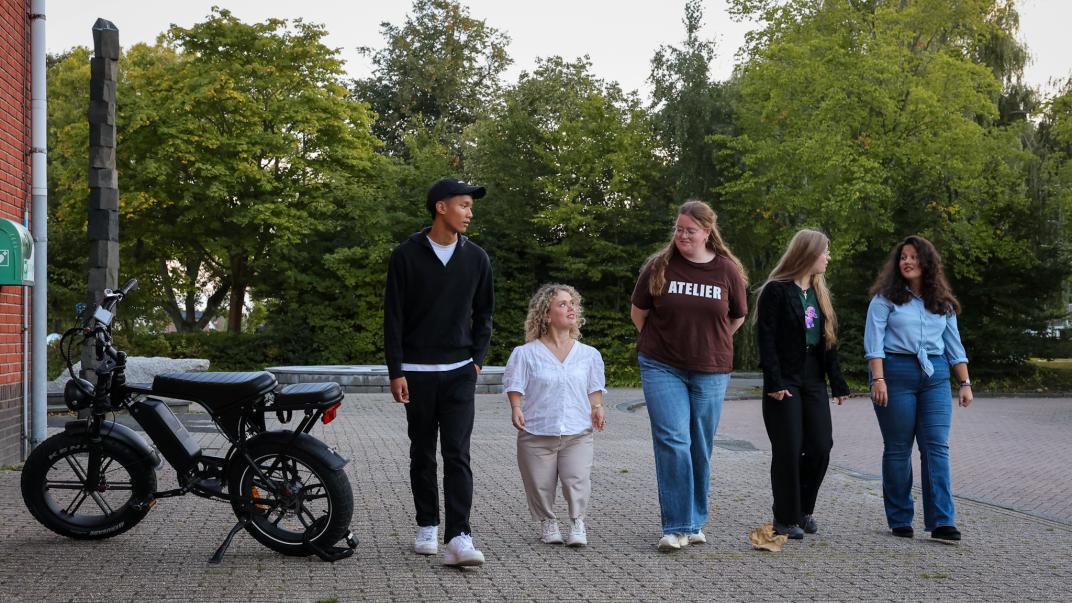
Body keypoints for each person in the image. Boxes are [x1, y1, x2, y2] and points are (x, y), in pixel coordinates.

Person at [384, 177, 495, 566]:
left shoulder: (477, 258)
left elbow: (485, 314)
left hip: (460, 372)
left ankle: (459, 536)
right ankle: (427, 524)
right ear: (440, 207)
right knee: (421, 452)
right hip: (416, 373)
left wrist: (476, 361)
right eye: (463, 205)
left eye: (471, 207)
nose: (469, 213)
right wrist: (396, 371)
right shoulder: (405, 256)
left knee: (457, 453)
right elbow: (393, 318)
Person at [629, 200, 748, 551]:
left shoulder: (727, 270)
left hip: (711, 369)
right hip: (661, 365)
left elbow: (737, 317)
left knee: (700, 445)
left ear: (707, 232)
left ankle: (694, 522)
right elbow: (639, 313)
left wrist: (709, 343)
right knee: (673, 440)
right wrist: (663, 342)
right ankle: (677, 526)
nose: (682, 235)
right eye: (679, 229)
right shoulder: (659, 266)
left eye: (690, 231)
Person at [864, 235, 972, 542]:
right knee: (898, 448)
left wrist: (964, 383)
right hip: (895, 373)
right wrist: (878, 379)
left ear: (927, 262)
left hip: (935, 376)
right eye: (903, 257)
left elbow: (954, 346)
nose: (907, 262)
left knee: (936, 446)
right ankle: (900, 518)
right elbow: (874, 343)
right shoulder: (884, 299)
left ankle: (942, 521)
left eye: (913, 257)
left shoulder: (943, 303)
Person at [754, 229, 851, 540]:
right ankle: (785, 517)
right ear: (808, 254)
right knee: (789, 448)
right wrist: (774, 381)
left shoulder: (819, 293)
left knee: (821, 446)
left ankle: (803, 510)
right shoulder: (776, 291)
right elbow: (766, 339)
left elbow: (828, 342)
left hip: (813, 379)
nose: (828, 257)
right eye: (825, 251)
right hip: (785, 378)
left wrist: (837, 382)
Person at [503, 284, 607, 547]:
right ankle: (548, 522)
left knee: (577, 479)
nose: (571, 308)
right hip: (536, 431)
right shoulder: (525, 353)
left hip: (577, 431)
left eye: (572, 303)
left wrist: (597, 407)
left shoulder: (589, 355)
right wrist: (516, 407)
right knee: (539, 484)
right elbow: (515, 384)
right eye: (562, 304)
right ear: (547, 315)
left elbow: (594, 387)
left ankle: (577, 522)